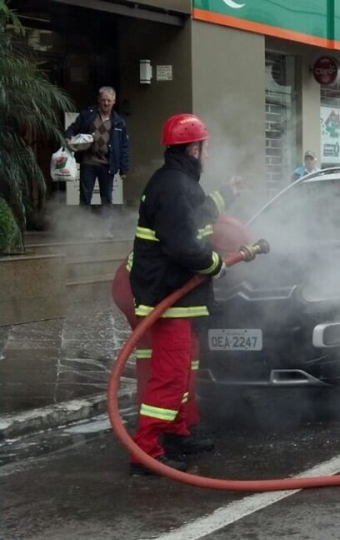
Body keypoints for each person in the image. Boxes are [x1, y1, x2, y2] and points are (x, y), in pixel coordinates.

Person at [127, 113, 236, 476]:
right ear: (193, 149)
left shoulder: (181, 183)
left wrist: (229, 194)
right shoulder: (174, 186)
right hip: (168, 297)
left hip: (180, 297)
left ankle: (176, 431)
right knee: (170, 376)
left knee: (186, 368)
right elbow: (183, 245)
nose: (209, 153)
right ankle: (146, 450)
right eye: (206, 147)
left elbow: (200, 213)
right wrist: (215, 263)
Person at [111, 211, 249, 461]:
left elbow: (198, 282)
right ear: (221, 241)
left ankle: (182, 423)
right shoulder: (200, 244)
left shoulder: (204, 236)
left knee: (185, 355)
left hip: (146, 287)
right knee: (164, 361)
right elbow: (198, 277)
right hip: (133, 289)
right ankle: (153, 435)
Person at [65, 86, 130, 236]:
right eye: (103, 100)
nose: (106, 103)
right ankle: (84, 229)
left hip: (108, 164)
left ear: (114, 101)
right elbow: (72, 129)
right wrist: (69, 137)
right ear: (98, 100)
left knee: (107, 198)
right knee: (85, 196)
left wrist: (124, 168)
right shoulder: (87, 115)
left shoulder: (119, 122)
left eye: (109, 100)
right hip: (88, 162)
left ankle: (106, 229)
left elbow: (124, 147)